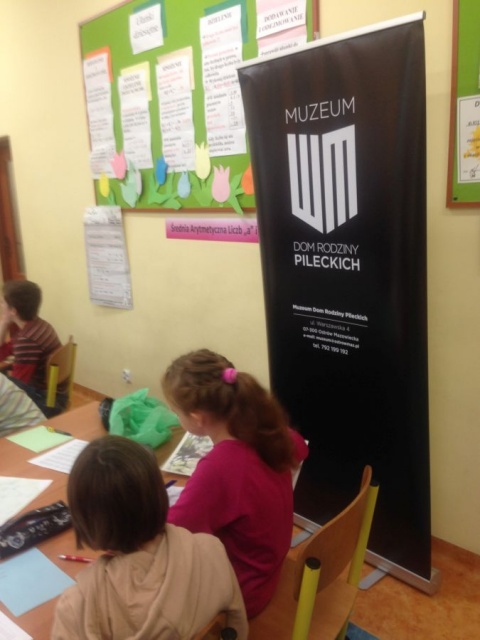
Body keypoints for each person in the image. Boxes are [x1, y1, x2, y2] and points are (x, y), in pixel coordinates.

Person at [51, 435, 248, 640]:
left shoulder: (77, 606)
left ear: (85, 518)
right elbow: (236, 624)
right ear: (159, 494)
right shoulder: (211, 549)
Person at [162, 348, 309, 619]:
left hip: (241, 593)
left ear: (197, 418)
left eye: (176, 412)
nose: (176, 418)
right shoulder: (265, 429)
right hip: (265, 571)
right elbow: (300, 447)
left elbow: (172, 533)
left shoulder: (220, 467)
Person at [0, 280, 65, 417]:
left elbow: (17, 388)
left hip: (47, 401)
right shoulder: (38, 325)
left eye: (2, 303)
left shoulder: (27, 339)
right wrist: (4, 322)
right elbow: (3, 352)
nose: (1, 306)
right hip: (56, 393)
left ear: (13, 310)